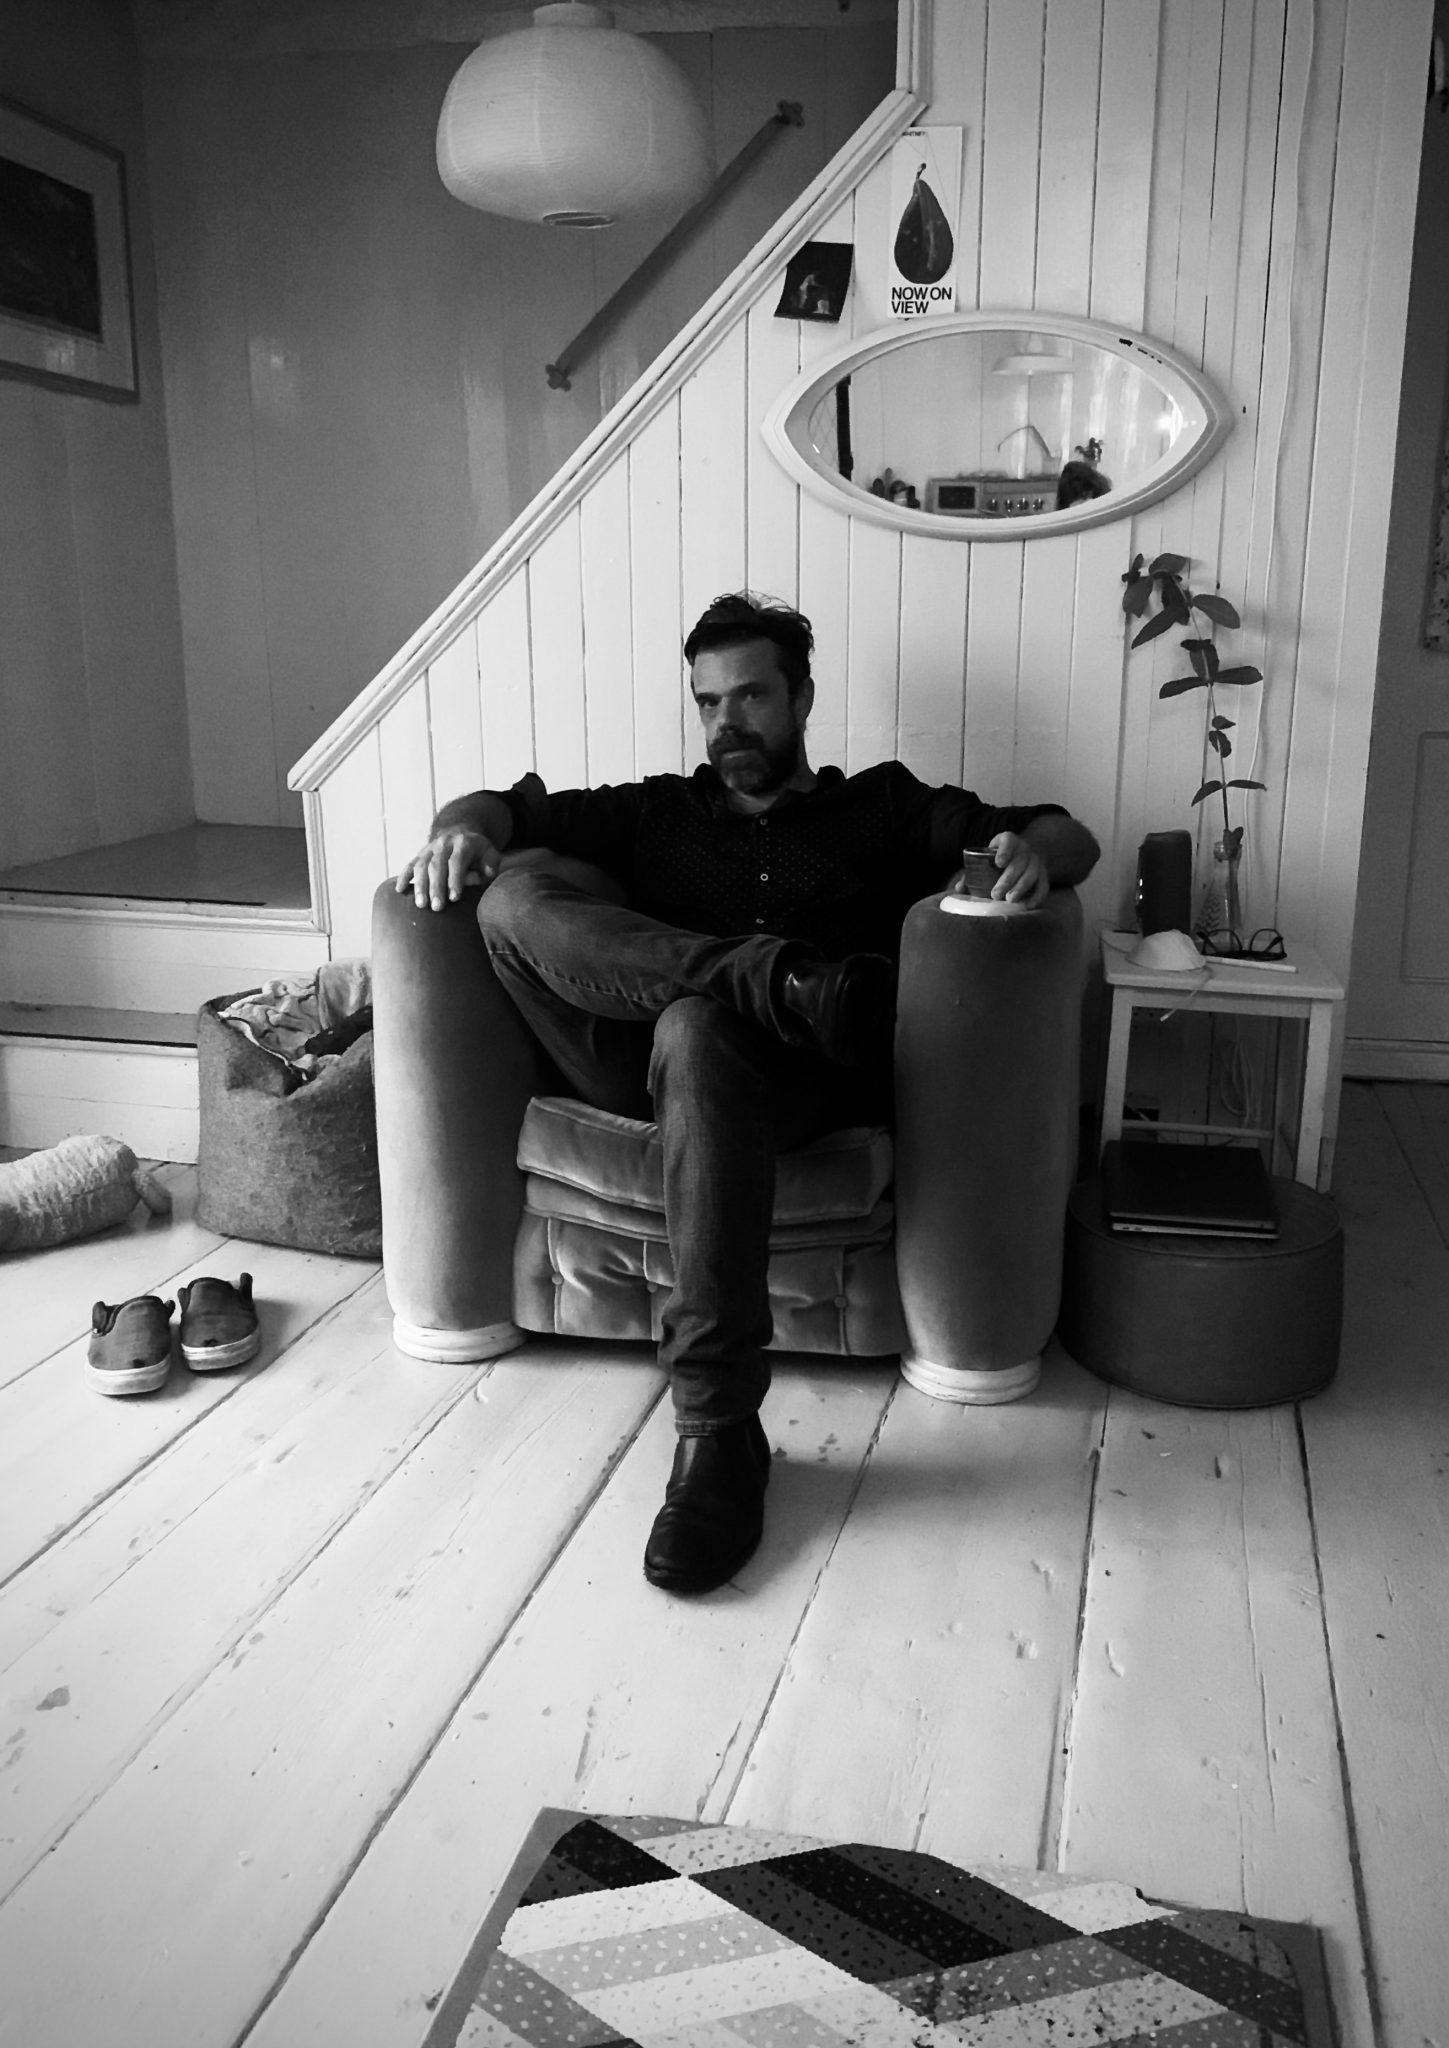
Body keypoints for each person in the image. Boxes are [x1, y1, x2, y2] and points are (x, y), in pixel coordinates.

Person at [396, 592, 1099, 1595]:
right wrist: (455, 831)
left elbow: (1065, 834)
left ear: (801, 698)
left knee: (696, 1030)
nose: (726, 722)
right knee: (510, 898)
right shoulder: (657, 811)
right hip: (632, 1059)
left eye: (751, 697)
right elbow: (506, 809)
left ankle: (718, 1429)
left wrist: (1033, 855)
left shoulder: (883, 806)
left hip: (793, 1080)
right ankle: (771, 976)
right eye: (708, 702)